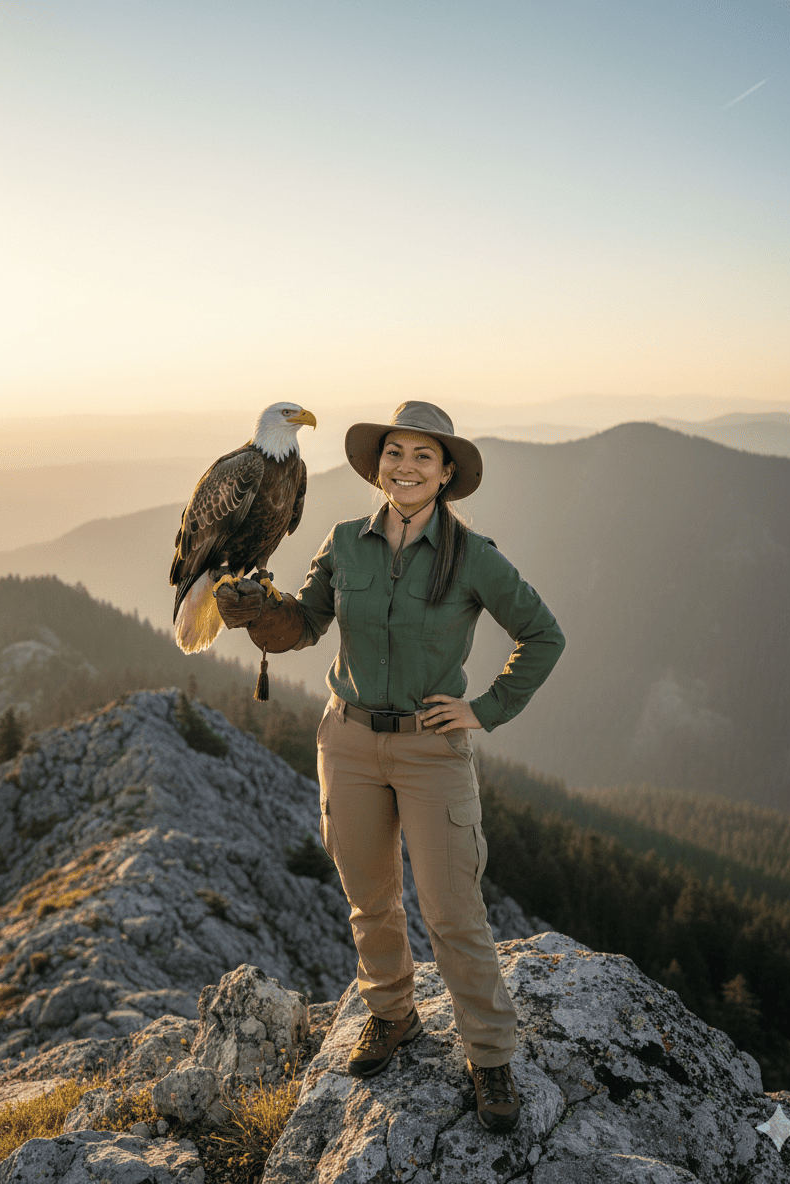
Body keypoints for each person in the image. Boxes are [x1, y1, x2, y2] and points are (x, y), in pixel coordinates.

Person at [215, 401, 565, 1133]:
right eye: (394, 453)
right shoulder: (344, 542)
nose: (404, 466)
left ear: (445, 476)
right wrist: (258, 611)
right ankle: (391, 1014)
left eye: (422, 457)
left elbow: (542, 634)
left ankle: (491, 1053)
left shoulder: (475, 556)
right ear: (378, 464)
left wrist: (486, 709)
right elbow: (305, 625)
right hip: (346, 740)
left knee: (452, 910)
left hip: (431, 747)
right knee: (369, 896)